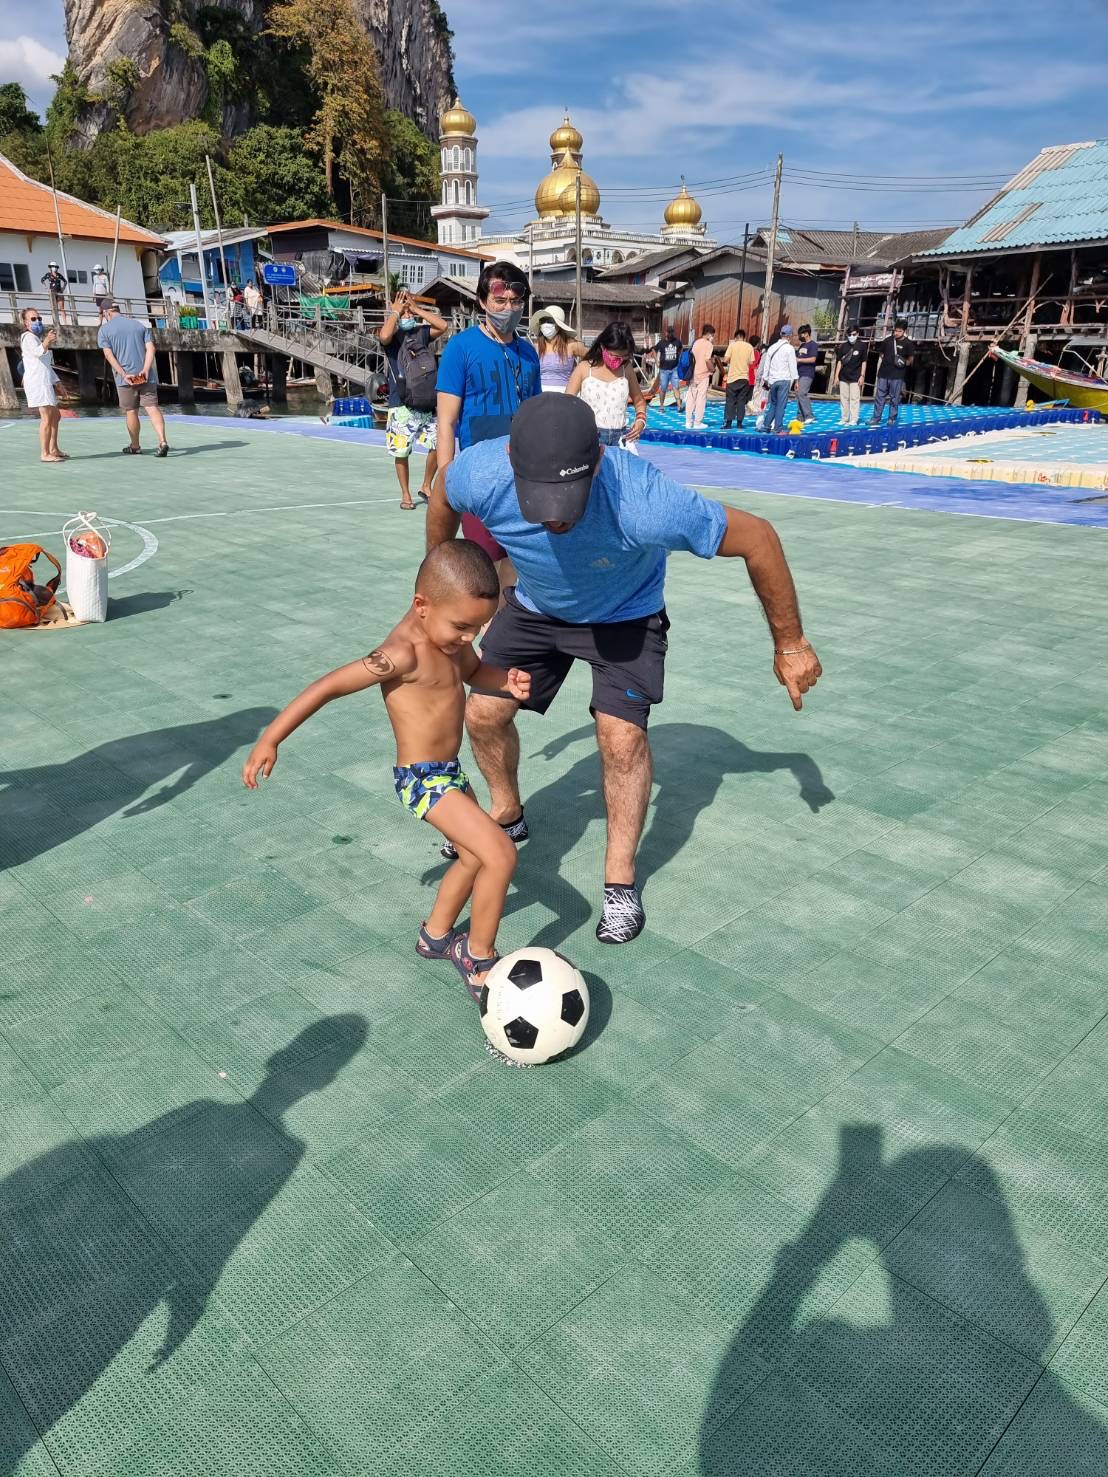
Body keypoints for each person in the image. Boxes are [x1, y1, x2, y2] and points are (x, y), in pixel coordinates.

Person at [426, 392, 822, 945]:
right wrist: (441, 587)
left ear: (598, 461)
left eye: (568, 497)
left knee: (621, 740)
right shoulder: (483, 470)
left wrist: (791, 643)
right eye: (541, 497)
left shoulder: (643, 499)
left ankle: (619, 879)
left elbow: (758, 537)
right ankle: (508, 811)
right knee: (484, 714)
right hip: (537, 604)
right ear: (511, 461)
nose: (555, 515)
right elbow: (443, 490)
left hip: (625, 615)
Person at [243, 540, 532, 997]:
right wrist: (271, 738)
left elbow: (474, 672)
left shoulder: (450, 640)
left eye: (477, 628)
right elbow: (328, 686)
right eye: (462, 627)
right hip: (422, 779)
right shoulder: (401, 654)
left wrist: (505, 680)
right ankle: (478, 958)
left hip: (450, 771)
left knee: (474, 856)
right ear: (422, 605)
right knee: (501, 853)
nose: (468, 638)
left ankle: (435, 936)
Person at [435, 259, 539, 597]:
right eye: (500, 300)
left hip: (522, 477)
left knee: (516, 565)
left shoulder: (528, 353)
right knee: (485, 567)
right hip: (479, 477)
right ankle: (489, 627)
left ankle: (504, 626)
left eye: (516, 302)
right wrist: (447, 476)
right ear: (482, 301)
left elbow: (534, 415)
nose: (508, 308)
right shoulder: (461, 348)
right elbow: (446, 420)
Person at [379, 288, 447, 509]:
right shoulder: (392, 336)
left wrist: (416, 308)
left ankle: (426, 485)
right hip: (401, 404)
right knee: (401, 451)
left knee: (439, 443)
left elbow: (443, 326)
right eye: (404, 312)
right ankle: (405, 494)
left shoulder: (421, 334)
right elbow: (383, 336)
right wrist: (396, 312)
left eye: (408, 312)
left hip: (427, 401)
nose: (407, 315)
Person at [97, 302, 169, 456]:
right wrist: (145, 370)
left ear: (107, 312)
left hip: (126, 379)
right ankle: (163, 441)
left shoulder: (104, 330)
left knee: (131, 411)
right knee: (152, 407)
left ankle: (135, 446)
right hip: (145, 376)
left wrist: (123, 374)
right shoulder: (139, 325)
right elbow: (151, 348)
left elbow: (108, 355)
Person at [566, 321, 648, 448]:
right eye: (615, 356)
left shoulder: (626, 369)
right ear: (603, 346)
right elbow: (566, 404)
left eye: (624, 357)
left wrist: (640, 420)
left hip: (620, 440)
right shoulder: (584, 368)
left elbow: (639, 401)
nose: (619, 361)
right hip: (589, 437)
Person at [19, 307, 65, 462]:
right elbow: (38, 352)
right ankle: (45, 453)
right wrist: (47, 340)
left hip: (45, 382)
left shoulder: (36, 339)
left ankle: (54, 448)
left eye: (39, 318)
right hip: (37, 383)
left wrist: (57, 382)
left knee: (56, 416)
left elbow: (46, 365)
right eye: (33, 319)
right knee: (46, 417)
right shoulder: (27, 337)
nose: (37, 321)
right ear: (26, 322)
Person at [530, 304, 587, 392]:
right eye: (543, 321)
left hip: (565, 394)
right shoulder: (536, 346)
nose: (545, 324)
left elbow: (594, 357)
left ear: (559, 325)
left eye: (550, 321)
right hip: (539, 395)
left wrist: (580, 375)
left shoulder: (572, 345)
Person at [870, 318, 915, 426]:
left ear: (904, 331)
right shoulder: (887, 340)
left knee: (895, 398)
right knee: (879, 397)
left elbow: (911, 359)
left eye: (899, 331)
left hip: (897, 375)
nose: (896, 333)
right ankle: (876, 418)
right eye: (895, 330)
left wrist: (903, 363)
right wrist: (888, 361)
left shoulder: (908, 344)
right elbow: (881, 353)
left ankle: (892, 418)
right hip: (883, 373)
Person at [759, 325, 798, 434]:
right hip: (784, 379)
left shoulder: (772, 348)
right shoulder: (790, 349)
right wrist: (796, 380)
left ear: (781, 334)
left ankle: (766, 425)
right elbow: (792, 366)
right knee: (781, 405)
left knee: (773, 404)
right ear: (790, 336)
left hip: (773, 380)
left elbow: (767, 365)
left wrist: (765, 379)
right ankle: (778, 428)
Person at [721, 327, 756, 429]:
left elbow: (725, 360)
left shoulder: (732, 346)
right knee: (741, 401)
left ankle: (728, 423)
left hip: (732, 377)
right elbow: (751, 362)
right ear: (744, 337)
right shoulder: (749, 347)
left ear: (736, 337)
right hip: (744, 378)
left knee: (730, 401)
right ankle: (739, 423)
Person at [685, 324, 717, 430]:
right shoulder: (708, 345)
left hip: (693, 374)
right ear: (709, 334)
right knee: (701, 399)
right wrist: (712, 369)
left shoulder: (696, 343)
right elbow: (707, 359)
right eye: (712, 335)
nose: (713, 337)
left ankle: (688, 421)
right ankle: (697, 422)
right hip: (704, 374)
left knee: (691, 398)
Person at [832, 328, 866, 426]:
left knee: (854, 398)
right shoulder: (843, 346)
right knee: (844, 398)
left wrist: (862, 375)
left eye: (854, 334)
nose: (852, 336)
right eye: (849, 335)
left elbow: (864, 361)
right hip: (843, 376)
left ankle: (854, 419)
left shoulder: (862, 346)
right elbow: (839, 362)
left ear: (857, 334)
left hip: (855, 376)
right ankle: (844, 418)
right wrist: (836, 376)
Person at [652, 325, 684, 411]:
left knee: (676, 387)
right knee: (663, 388)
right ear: (665, 333)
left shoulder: (677, 341)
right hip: (664, 370)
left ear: (673, 333)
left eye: (671, 332)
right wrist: (656, 361)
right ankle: (661, 406)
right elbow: (654, 350)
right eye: (668, 332)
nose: (670, 334)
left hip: (674, 369)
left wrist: (680, 357)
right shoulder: (661, 342)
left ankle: (679, 405)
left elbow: (681, 348)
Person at [795, 324, 818, 424]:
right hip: (799, 373)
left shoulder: (813, 345)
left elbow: (813, 359)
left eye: (801, 334)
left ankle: (809, 415)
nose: (800, 336)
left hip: (807, 373)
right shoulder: (801, 346)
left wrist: (799, 360)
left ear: (807, 334)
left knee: (802, 393)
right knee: (798, 394)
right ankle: (800, 416)